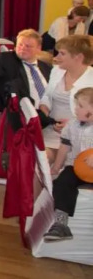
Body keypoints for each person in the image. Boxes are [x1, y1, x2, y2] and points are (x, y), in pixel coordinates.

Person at [43, 87, 93, 242]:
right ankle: (61, 224)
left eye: (80, 106)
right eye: (76, 105)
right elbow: (65, 147)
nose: (76, 109)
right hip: (76, 168)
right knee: (62, 183)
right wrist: (56, 167)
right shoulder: (72, 125)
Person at [0, 29, 52, 132]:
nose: (23, 48)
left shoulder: (46, 67)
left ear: (39, 48)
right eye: (20, 45)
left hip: (48, 117)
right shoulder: (6, 60)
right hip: (22, 118)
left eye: (28, 46)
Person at [38, 35, 93, 163]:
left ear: (78, 57)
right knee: (38, 163)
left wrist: (72, 124)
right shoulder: (56, 71)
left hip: (79, 137)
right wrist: (44, 107)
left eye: (62, 53)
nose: (56, 57)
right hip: (50, 131)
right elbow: (47, 96)